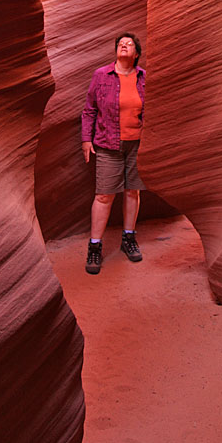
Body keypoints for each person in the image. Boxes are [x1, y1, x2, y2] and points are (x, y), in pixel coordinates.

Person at [81, 32, 146, 274]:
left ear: (136, 53)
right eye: (121, 43)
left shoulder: (144, 78)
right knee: (104, 195)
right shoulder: (101, 76)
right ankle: (95, 246)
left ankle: (128, 238)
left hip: (137, 144)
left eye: (129, 44)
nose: (124, 46)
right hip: (108, 144)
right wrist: (86, 139)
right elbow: (89, 110)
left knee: (132, 192)